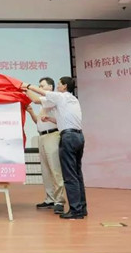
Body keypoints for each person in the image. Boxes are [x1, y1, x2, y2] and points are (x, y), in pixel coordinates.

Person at [22, 77, 87, 219]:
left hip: (65, 137)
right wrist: (50, 119)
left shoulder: (59, 97)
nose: (58, 86)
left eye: (59, 84)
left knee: (68, 175)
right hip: (76, 136)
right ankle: (81, 208)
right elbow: (64, 119)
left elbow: (37, 97)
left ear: (64, 86)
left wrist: (26, 86)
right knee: (75, 174)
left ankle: (73, 209)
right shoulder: (71, 100)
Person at [26, 77, 65, 215]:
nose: (40, 88)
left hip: (52, 136)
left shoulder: (53, 98)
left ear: (50, 87)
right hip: (42, 136)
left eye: (42, 86)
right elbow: (38, 122)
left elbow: (35, 99)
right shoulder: (44, 103)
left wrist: (25, 88)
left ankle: (59, 201)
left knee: (55, 169)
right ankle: (50, 199)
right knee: (46, 170)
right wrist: (31, 112)